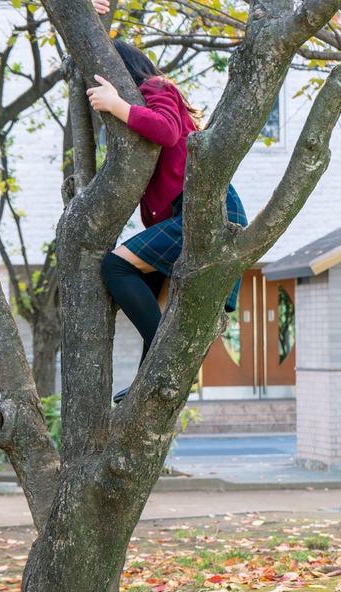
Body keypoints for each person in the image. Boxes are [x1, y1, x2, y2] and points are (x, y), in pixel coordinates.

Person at [88, 3, 247, 403]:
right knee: (152, 300)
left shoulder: (157, 87)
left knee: (116, 266)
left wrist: (118, 105)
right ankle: (149, 381)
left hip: (203, 209)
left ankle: (165, 362)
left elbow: (166, 130)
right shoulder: (140, 104)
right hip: (188, 211)